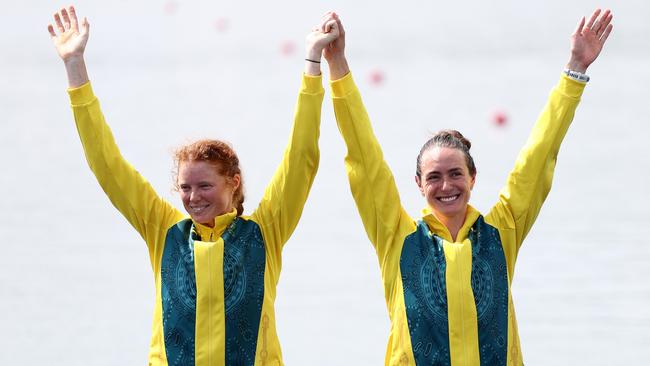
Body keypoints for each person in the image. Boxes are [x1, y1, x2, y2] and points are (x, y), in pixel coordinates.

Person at [48, 6, 340, 365]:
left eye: (204, 186)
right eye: (185, 187)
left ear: (233, 183)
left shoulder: (266, 232)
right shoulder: (163, 231)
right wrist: (73, 65)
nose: (193, 197)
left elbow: (302, 158)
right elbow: (107, 164)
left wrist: (313, 62)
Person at [322, 9, 613, 365]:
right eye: (434, 177)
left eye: (456, 174)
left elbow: (540, 155)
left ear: (472, 177)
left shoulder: (501, 231)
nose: (446, 185)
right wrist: (337, 65)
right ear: (418, 184)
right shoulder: (396, 237)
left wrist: (575, 70)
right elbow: (363, 158)